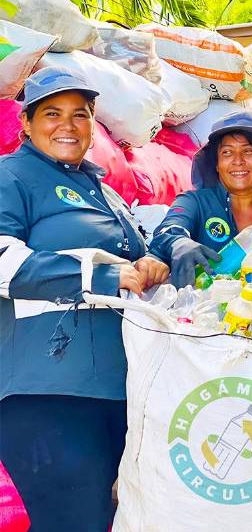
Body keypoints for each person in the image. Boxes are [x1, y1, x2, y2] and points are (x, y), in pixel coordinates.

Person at [0, 67, 169, 530]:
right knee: (74, 522)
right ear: (27, 124)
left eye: (81, 114)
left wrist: (152, 263)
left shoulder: (103, 190)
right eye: (52, 113)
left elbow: (130, 259)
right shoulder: (10, 177)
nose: (68, 125)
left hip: (116, 391)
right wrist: (101, 275)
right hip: (46, 392)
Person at [149, 110, 252, 287]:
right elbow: (168, 231)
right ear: (216, 163)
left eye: (248, 151)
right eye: (227, 153)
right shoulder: (194, 202)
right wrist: (180, 243)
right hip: (202, 311)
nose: (238, 160)